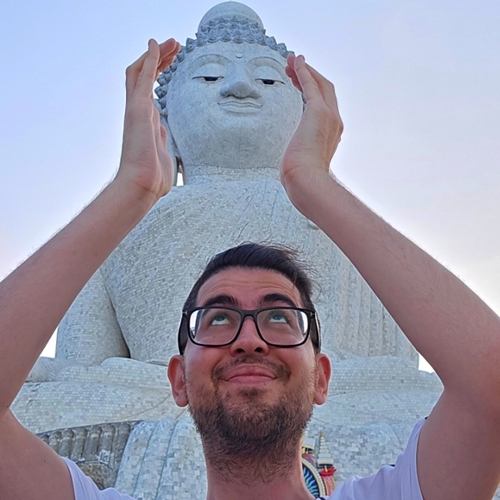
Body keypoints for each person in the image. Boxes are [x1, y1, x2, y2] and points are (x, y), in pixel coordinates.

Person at [0, 37, 500, 500]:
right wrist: (130, 191)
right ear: (177, 378)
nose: (249, 339)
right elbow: (81, 366)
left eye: (279, 316)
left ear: (322, 377)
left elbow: (486, 383)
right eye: (217, 317)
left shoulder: (337, 224)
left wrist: (313, 184)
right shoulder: (126, 226)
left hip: (366, 397)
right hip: (134, 392)